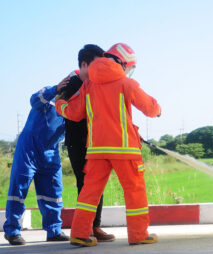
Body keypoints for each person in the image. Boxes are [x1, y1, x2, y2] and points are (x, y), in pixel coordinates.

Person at [55, 43, 161, 247]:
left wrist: (60, 104)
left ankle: (79, 233)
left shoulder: (89, 85)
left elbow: (75, 113)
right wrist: (158, 111)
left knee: (89, 192)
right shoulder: (126, 84)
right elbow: (149, 107)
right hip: (125, 150)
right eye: (129, 67)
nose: (128, 72)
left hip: (97, 150)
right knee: (134, 191)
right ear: (122, 63)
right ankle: (138, 234)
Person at [3, 78, 70, 245]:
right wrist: (55, 89)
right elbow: (34, 100)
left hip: (51, 151)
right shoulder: (49, 93)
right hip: (28, 149)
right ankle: (12, 231)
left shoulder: (74, 106)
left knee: (53, 192)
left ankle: (54, 230)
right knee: (19, 189)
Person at [59, 44, 115, 242]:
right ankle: (86, 228)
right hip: (77, 143)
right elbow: (62, 105)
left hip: (97, 142)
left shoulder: (97, 84)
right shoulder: (71, 84)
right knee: (85, 185)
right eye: (95, 66)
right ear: (84, 64)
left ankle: (96, 226)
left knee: (98, 184)